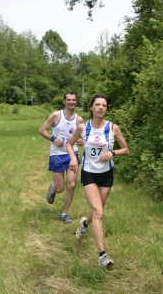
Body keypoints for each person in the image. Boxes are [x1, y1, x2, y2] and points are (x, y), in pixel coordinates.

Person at [66, 94, 129, 268]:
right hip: (89, 174)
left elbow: (126, 149)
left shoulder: (113, 128)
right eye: (98, 104)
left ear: (107, 108)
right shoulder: (82, 127)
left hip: (106, 174)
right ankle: (102, 255)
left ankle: (84, 223)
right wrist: (73, 158)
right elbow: (69, 144)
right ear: (91, 107)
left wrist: (113, 152)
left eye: (104, 105)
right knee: (99, 212)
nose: (101, 107)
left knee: (95, 213)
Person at [38, 91, 84, 223]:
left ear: (76, 101)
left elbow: (83, 137)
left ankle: (64, 214)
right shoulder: (56, 115)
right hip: (57, 155)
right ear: (64, 101)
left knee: (71, 184)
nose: (71, 102)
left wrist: (81, 141)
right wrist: (53, 138)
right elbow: (41, 130)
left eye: (73, 100)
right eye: (68, 100)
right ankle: (53, 188)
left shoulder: (79, 120)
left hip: (72, 154)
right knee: (60, 187)